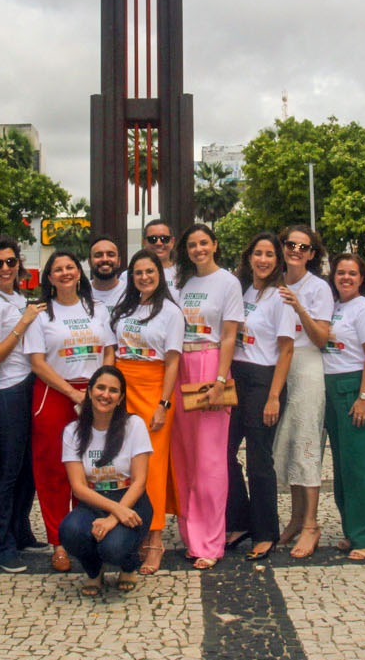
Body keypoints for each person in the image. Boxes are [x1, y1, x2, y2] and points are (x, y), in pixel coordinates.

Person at [24, 250, 116, 573]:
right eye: (57, 269)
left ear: (80, 273)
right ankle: (58, 542)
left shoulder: (98, 309)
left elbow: (109, 351)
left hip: (94, 394)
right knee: (53, 471)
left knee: (95, 469)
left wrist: (100, 390)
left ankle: (93, 534)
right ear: (49, 278)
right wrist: (73, 393)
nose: (64, 273)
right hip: (54, 393)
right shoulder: (40, 313)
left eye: (70, 268)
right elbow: (37, 362)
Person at [169, 223, 244, 570]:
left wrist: (219, 378)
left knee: (210, 460)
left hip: (210, 364)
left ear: (215, 245)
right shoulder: (181, 282)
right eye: (192, 244)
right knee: (184, 457)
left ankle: (211, 542)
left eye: (204, 243)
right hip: (180, 365)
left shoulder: (228, 282)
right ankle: (191, 535)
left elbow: (229, 335)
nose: (198, 249)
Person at [110, 249, 184, 575]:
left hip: (154, 389)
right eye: (138, 273)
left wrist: (164, 404)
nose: (144, 278)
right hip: (123, 389)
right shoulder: (123, 308)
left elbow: (173, 361)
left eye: (150, 272)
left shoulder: (170, 312)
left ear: (160, 274)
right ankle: (132, 529)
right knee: (125, 464)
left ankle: (155, 539)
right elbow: (112, 352)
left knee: (152, 467)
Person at [0, 234, 46, 573]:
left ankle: (18, 530)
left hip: (28, 384)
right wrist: (23, 323)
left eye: (10, 262)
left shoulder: (16, 296)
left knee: (28, 470)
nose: (5, 268)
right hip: (8, 390)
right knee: (8, 471)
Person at [226, 232, 295, 561]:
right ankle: (240, 521)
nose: (263, 260)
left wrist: (274, 396)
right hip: (235, 375)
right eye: (258, 253)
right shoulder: (243, 290)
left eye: (270, 254)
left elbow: (286, 350)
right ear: (249, 257)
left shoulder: (282, 297)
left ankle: (266, 531)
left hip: (263, 378)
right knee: (223, 452)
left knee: (258, 459)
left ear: (278, 260)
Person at [59, 365, 154, 596]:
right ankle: (94, 572)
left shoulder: (134, 425)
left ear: (121, 398)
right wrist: (113, 511)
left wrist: (115, 517)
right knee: (69, 531)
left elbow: (140, 481)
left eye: (113, 391)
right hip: (94, 501)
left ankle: (129, 566)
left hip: (131, 501)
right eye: (100, 388)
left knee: (114, 548)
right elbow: (78, 488)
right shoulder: (73, 430)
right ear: (90, 391)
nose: (105, 395)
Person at [273, 224, 333, 559]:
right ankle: (296, 517)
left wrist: (299, 307)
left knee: (308, 445)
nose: (296, 250)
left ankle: (311, 523)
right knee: (290, 444)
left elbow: (322, 338)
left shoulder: (318, 288)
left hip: (307, 368)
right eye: (290, 244)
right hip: (280, 368)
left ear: (312, 253)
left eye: (303, 247)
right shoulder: (274, 282)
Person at [321, 253, 365, 561]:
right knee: (342, 467)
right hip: (331, 387)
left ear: (362, 278)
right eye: (341, 272)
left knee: (359, 466)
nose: (346, 278)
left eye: (352, 273)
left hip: (354, 386)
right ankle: (351, 529)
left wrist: (364, 397)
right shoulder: (333, 308)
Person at [88, 235, 128, 308]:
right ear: (90, 262)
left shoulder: (131, 293)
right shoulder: (80, 294)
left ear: (119, 261)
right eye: (98, 255)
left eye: (111, 255)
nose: (105, 259)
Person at [142, 219, 177, 286]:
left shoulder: (183, 275)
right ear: (144, 242)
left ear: (172, 242)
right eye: (152, 239)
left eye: (164, 238)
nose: (159, 243)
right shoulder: (129, 276)